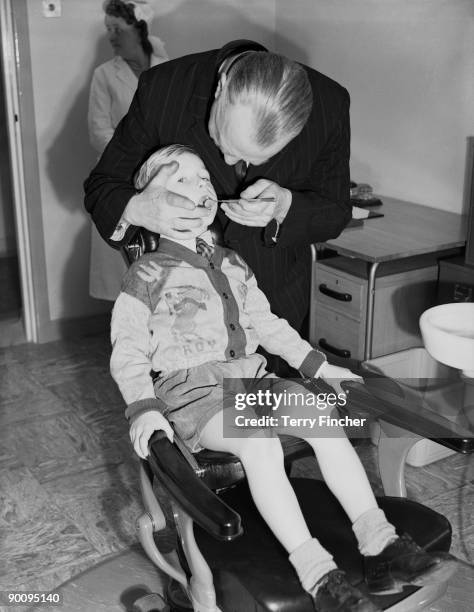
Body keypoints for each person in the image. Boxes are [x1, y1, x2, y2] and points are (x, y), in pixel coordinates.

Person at [110, 145, 453, 612]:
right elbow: (127, 349)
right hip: (195, 392)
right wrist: (143, 408)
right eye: (181, 182)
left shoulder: (231, 262)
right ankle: (318, 575)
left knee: (324, 420)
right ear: (150, 205)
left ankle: (379, 543)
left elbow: (267, 324)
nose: (201, 188)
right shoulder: (146, 275)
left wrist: (315, 364)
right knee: (261, 445)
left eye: (205, 179)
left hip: (252, 381)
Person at [84, 40, 352, 371]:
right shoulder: (164, 89)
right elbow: (101, 187)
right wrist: (138, 208)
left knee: (272, 418)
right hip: (180, 325)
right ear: (221, 88)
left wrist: (285, 206)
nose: (228, 161)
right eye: (225, 143)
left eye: (253, 159)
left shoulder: (330, 105)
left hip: (273, 311)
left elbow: (336, 212)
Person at [87, 0, 168, 300]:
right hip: (119, 178)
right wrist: (135, 161)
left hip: (161, 176)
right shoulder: (104, 75)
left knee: (161, 271)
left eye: (116, 29)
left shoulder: (166, 67)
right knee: (124, 277)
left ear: (138, 28)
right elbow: (98, 132)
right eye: (107, 29)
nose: (110, 36)